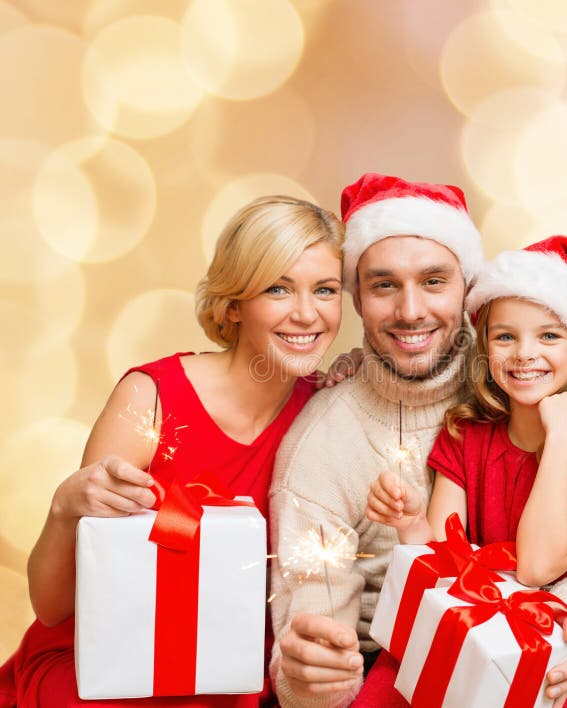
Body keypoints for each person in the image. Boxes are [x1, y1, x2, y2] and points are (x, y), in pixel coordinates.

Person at [268, 173, 567, 708]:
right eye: (383, 285)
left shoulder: (519, 378)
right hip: (410, 656)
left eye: (434, 281)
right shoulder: (325, 443)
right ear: (356, 297)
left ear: (469, 289)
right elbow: (316, 642)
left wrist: (559, 620)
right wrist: (312, 675)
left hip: (550, 649)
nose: (410, 310)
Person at [0, 195, 345, 708]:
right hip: (104, 672)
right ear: (234, 304)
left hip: (227, 679)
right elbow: (52, 609)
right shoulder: (152, 399)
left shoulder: (326, 411)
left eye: (326, 290)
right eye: (278, 288)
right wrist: (63, 508)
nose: (306, 313)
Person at [367, 237, 567, 707]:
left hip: (563, 679)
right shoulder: (465, 434)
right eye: (505, 336)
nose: (524, 353)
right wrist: (409, 523)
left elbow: (538, 565)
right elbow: (439, 572)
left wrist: (561, 439)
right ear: (486, 346)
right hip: (472, 662)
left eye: (549, 336)